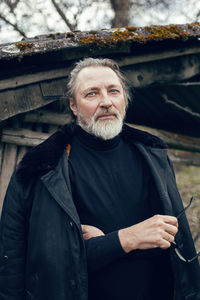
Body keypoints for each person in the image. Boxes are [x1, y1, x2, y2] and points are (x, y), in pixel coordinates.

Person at [0, 57, 199, 300]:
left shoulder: (153, 155)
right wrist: (127, 238)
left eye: (113, 91)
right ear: (73, 106)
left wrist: (106, 244)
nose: (105, 102)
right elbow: (26, 263)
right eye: (91, 94)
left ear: (124, 98)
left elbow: (174, 244)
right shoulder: (39, 169)